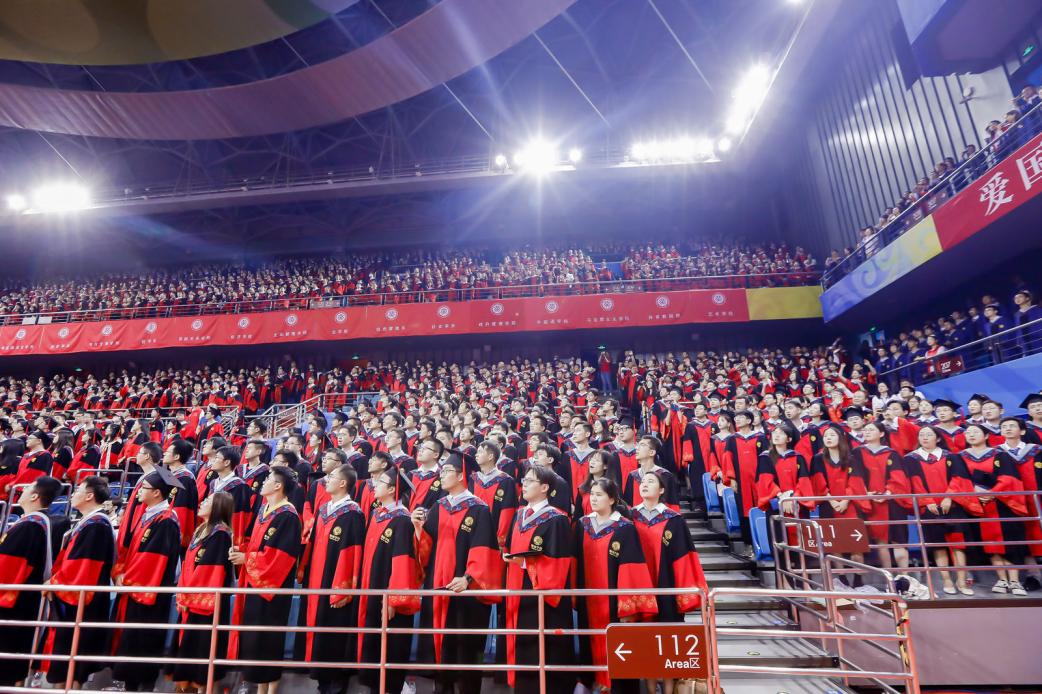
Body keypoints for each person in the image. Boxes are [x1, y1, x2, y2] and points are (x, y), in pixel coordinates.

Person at [412, 454, 501, 693]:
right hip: (438, 587)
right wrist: (418, 529)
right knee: (440, 651)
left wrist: (468, 578)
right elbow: (426, 550)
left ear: (461, 475)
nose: (441, 475)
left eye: (447, 471)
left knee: (465, 651)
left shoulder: (479, 509)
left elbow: (485, 550)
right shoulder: (438, 507)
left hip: (464, 591)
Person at [575, 478, 657, 693]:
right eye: (592, 494)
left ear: (611, 499)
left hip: (613, 604)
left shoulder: (625, 528)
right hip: (588, 601)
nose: (593, 499)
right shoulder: (583, 525)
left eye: (599, 495)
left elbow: (632, 570)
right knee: (589, 644)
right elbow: (575, 563)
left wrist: (627, 607)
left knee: (618, 650)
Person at [632, 469, 707, 694]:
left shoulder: (674, 520)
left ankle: (668, 687)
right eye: (642, 481)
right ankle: (649, 688)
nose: (644, 484)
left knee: (666, 639)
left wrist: (684, 594)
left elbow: (684, 559)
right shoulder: (629, 517)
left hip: (666, 588)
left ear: (662, 490)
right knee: (643, 639)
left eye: (651, 481)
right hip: (639, 588)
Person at [229, 466, 303, 693]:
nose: (264, 482)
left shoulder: (288, 516)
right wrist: (242, 551)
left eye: (269, 478)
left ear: (278, 486)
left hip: (272, 589)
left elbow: (280, 558)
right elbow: (257, 547)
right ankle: (259, 687)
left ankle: (270, 690)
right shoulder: (265, 510)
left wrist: (247, 558)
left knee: (268, 639)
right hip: (254, 583)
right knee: (254, 639)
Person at [110, 465, 183, 692]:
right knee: (132, 639)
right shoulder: (149, 516)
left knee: (143, 639)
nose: (139, 491)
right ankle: (129, 685)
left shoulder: (166, 520)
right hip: (135, 588)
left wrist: (127, 578)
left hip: (148, 591)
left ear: (157, 493)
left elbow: (153, 560)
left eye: (144, 488)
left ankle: (142, 687)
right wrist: (120, 572)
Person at [503, 465, 574, 692]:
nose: (523, 484)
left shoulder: (557, 519)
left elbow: (559, 564)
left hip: (544, 597)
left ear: (544, 488)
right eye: (523, 480)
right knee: (523, 644)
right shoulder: (519, 515)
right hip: (518, 590)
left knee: (544, 648)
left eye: (530, 481)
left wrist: (524, 563)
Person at [44, 476, 115, 688]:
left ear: (89, 496)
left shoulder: (97, 525)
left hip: (82, 601)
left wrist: (55, 582)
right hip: (78, 598)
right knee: (68, 662)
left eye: (78, 491)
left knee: (73, 662)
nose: (73, 495)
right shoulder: (89, 522)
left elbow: (83, 567)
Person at [300, 464, 364, 694]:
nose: (326, 480)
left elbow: (352, 554)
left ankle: (336, 683)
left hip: (335, 582)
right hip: (316, 580)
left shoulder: (353, 514)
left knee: (334, 630)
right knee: (318, 629)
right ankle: (322, 681)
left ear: (343, 483)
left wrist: (342, 589)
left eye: (332, 477)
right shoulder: (323, 509)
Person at [357, 467, 421, 694]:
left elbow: (403, 563)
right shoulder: (378, 515)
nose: (374, 484)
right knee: (374, 652)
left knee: (389, 652)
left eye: (381, 481)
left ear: (393, 489)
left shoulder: (402, 520)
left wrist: (393, 598)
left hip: (389, 600)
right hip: (372, 592)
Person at [951, 423, 1029, 596]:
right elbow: (958, 480)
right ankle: (1001, 579)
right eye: (968, 433)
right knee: (989, 543)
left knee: (1008, 540)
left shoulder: (1000, 454)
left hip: (1002, 504)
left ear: (986, 436)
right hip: (976, 505)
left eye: (975, 432)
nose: (971, 435)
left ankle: (1015, 581)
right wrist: (974, 493)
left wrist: (993, 493)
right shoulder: (960, 457)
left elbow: (1009, 479)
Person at [172, 491, 235, 693]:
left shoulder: (221, 534)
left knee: (206, 647)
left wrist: (189, 597)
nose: (202, 502)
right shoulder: (201, 529)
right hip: (190, 599)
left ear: (217, 507)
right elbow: (188, 566)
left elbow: (210, 571)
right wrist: (183, 594)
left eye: (207, 500)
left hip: (206, 605)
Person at [0, 476, 60, 687]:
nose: (22, 490)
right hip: (21, 603)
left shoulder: (30, 526)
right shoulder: (34, 522)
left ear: (34, 496)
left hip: (13, 606)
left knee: (7, 665)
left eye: (27, 488)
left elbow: (7, 568)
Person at [904, 426, 973, 595]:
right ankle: (947, 580)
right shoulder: (911, 459)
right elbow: (914, 482)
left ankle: (962, 581)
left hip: (953, 506)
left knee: (958, 545)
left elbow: (958, 479)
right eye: (921, 435)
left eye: (929, 434)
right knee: (938, 545)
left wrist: (949, 497)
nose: (924, 437)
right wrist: (927, 501)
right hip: (929, 508)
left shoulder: (951, 457)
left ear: (938, 438)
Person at [847, 421, 911, 571]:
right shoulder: (856, 453)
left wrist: (888, 493)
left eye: (871, 429)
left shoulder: (892, 453)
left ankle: (905, 576)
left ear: (881, 433)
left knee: (898, 541)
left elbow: (899, 477)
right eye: (865, 430)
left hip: (892, 502)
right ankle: (888, 576)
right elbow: (855, 477)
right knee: (881, 542)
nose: (867, 432)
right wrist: (865, 493)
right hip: (869, 502)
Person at [623, 436, 679, 510]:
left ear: (652, 452)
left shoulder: (665, 475)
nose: (637, 448)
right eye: (638, 445)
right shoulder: (632, 476)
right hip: (636, 517)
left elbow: (673, 506)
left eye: (642, 445)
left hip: (659, 517)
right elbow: (628, 505)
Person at [163, 438, 198, 551]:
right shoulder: (171, 475)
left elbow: (182, 511)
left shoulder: (185, 479)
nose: (164, 453)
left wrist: (174, 535)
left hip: (172, 533)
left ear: (177, 456)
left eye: (168, 452)